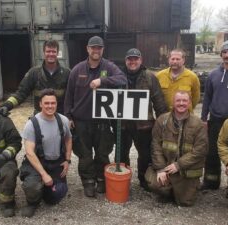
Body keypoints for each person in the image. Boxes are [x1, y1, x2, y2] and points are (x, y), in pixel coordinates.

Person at [64, 35, 127, 197]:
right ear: (88, 49)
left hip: (102, 121)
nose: (96, 50)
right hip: (81, 121)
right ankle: (88, 182)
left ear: (102, 50)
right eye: (93, 47)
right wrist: (68, 117)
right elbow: (68, 95)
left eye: (99, 48)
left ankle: (101, 179)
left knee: (102, 153)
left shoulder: (109, 66)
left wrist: (102, 81)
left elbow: (122, 79)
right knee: (85, 155)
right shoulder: (77, 70)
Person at [145, 91, 208, 206]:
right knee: (153, 182)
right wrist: (160, 169)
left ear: (189, 103)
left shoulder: (198, 124)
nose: (181, 103)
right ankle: (168, 191)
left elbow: (200, 150)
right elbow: (156, 146)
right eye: (178, 100)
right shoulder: (162, 120)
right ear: (173, 103)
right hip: (167, 167)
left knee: (185, 202)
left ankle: (185, 188)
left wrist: (179, 165)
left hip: (185, 169)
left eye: (184, 100)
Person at [119, 48, 167, 190]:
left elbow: (158, 100)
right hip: (124, 124)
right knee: (122, 154)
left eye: (136, 59)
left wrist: (163, 122)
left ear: (141, 60)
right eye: (130, 59)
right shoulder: (118, 76)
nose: (132, 61)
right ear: (126, 61)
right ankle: (123, 177)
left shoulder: (150, 76)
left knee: (145, 154)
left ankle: (143, 178)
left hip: (144, 125)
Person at [20, 89, 72, 217]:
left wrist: (67, 160)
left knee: (57, 195)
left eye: (52, 103)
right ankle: (32, 202)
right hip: (36, 163)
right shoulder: (32, 124)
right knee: (33, 187)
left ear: (56, 104)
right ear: (40, 104)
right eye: (46, 103)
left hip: (55, 162)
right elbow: (29, 153)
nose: (50, 106)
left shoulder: (63, 120)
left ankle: (45, 191)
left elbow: (68, 139)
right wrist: (44, 175)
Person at [201, 40, 228, 190]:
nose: (227, 55)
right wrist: (204, 118)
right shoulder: (213, 74)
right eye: (224, 52)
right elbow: (207, 98)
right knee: (212, 153)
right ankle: (211, 182)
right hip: (215, 120)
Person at [0, 40, 70, 115]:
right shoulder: (34, 73)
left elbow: (72, 96)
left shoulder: (66, 73)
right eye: (48, 51)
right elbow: (21, 93)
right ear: (44, 53)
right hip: (39, 117)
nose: (51, 54)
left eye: (53, 51)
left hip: (60, 116)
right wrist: (7, 105)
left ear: (57, 53)